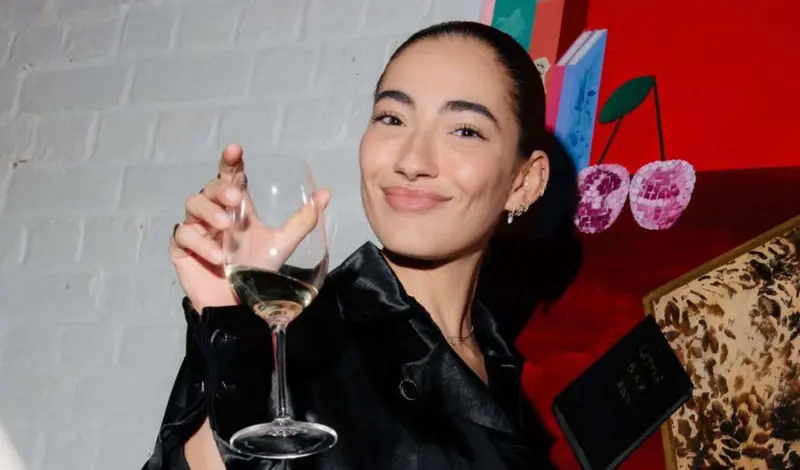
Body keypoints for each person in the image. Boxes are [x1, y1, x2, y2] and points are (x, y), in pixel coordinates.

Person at [143, 20, 557, 470]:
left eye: (464, 131)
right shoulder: (300, 342)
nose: (412, 161)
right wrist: (235, 331)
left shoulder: (499, 362)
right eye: (392, 118)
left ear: (525, 181)